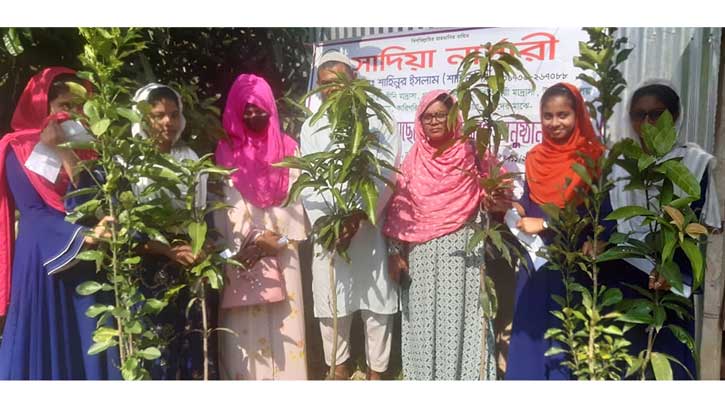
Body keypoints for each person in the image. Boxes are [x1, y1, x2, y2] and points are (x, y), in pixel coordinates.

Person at [0, 67, 119, 379]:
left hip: (89, 264)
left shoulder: (95, 151)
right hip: (43, 264)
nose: (74, 115)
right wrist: (84, 236)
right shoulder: (17, 149)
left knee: (89, 350)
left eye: (80, 107)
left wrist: (66, 154)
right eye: (64, 107)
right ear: (43, 107)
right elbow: (35, 213)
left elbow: (92, 206)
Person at [606, 80, 721, 379]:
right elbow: (608, 224)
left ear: (675, 117)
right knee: (626, 366)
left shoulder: (693, 164)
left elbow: (699, 228)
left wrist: (671, 269)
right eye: (638, 115)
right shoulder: (620, 168)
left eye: (656, 114)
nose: (646, 123)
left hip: (671, 285)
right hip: (626, 283)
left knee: (670, 367)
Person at [299, 51, 401, 380]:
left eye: (341, 82)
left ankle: (377, 372)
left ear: (354, 81)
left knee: (377, 304)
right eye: (326, 84)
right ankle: (338, 368)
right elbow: (309, 180)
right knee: (331, 301)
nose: (333, 90)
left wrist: (358, 215)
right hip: (331, 232)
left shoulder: (378, 120)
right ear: (318, 87)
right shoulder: (311, 127)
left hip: (369, 228)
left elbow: (386, 170)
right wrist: (329, 224)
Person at [383, 89, 498, 380]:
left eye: (441, 115)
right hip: (421, 255)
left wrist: (491, 199)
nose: (434, 122)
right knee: (424, 319)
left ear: (453, 117)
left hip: (463, 253)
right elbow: (399, 209)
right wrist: (395, 252)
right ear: (419, 121)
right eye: (427, 116)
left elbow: (497, 190)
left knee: (462, 318)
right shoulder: (413, 159)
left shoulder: (472, 152)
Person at [505, 83, 607, 380]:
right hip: (536, 263)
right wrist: (515, 207)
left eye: (563, 115)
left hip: (573, 263)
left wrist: (547, 224)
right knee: (531, 338)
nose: (555, 123)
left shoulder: (594, 157)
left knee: (568, 340)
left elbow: (596, 214)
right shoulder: (535, 157)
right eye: (548, 116)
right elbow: (529, 202)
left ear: (578, 115)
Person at [214, 73, 309, 380]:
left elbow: (297, 196)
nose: (253, 114)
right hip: (244, 251)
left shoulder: (289, 146)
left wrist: (277, 241)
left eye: (259, 106)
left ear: (271, 107)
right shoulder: (226, 150)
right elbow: (228, 203)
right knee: (245, 324)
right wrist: (252, 242)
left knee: (287, 323)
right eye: (246, 108)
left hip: (283, 247)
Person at [131, 83, 209, 379]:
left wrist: (202, 246)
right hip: (146, 271)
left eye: (174, 115)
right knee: (152, 349)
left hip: (186, 265)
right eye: (159, 115)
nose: (168, 122)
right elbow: (125, 233)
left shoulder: (191, 160)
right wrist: (167, 250)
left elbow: (200, 218)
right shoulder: (128, 163)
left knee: (187, 344)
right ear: (143, 118)